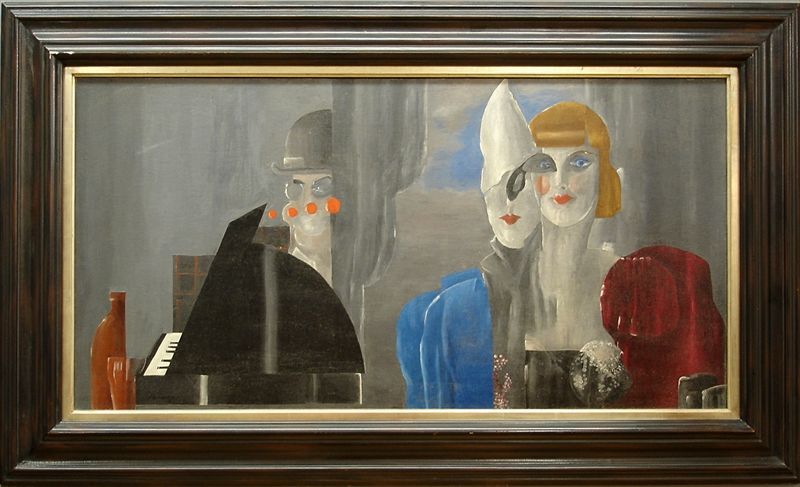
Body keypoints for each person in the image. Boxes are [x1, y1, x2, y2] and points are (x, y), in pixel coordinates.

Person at [396, 80, 542, 408]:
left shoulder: (560, 293)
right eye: (494, 190)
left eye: (518, 185)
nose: (507, 203)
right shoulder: (449, 311)